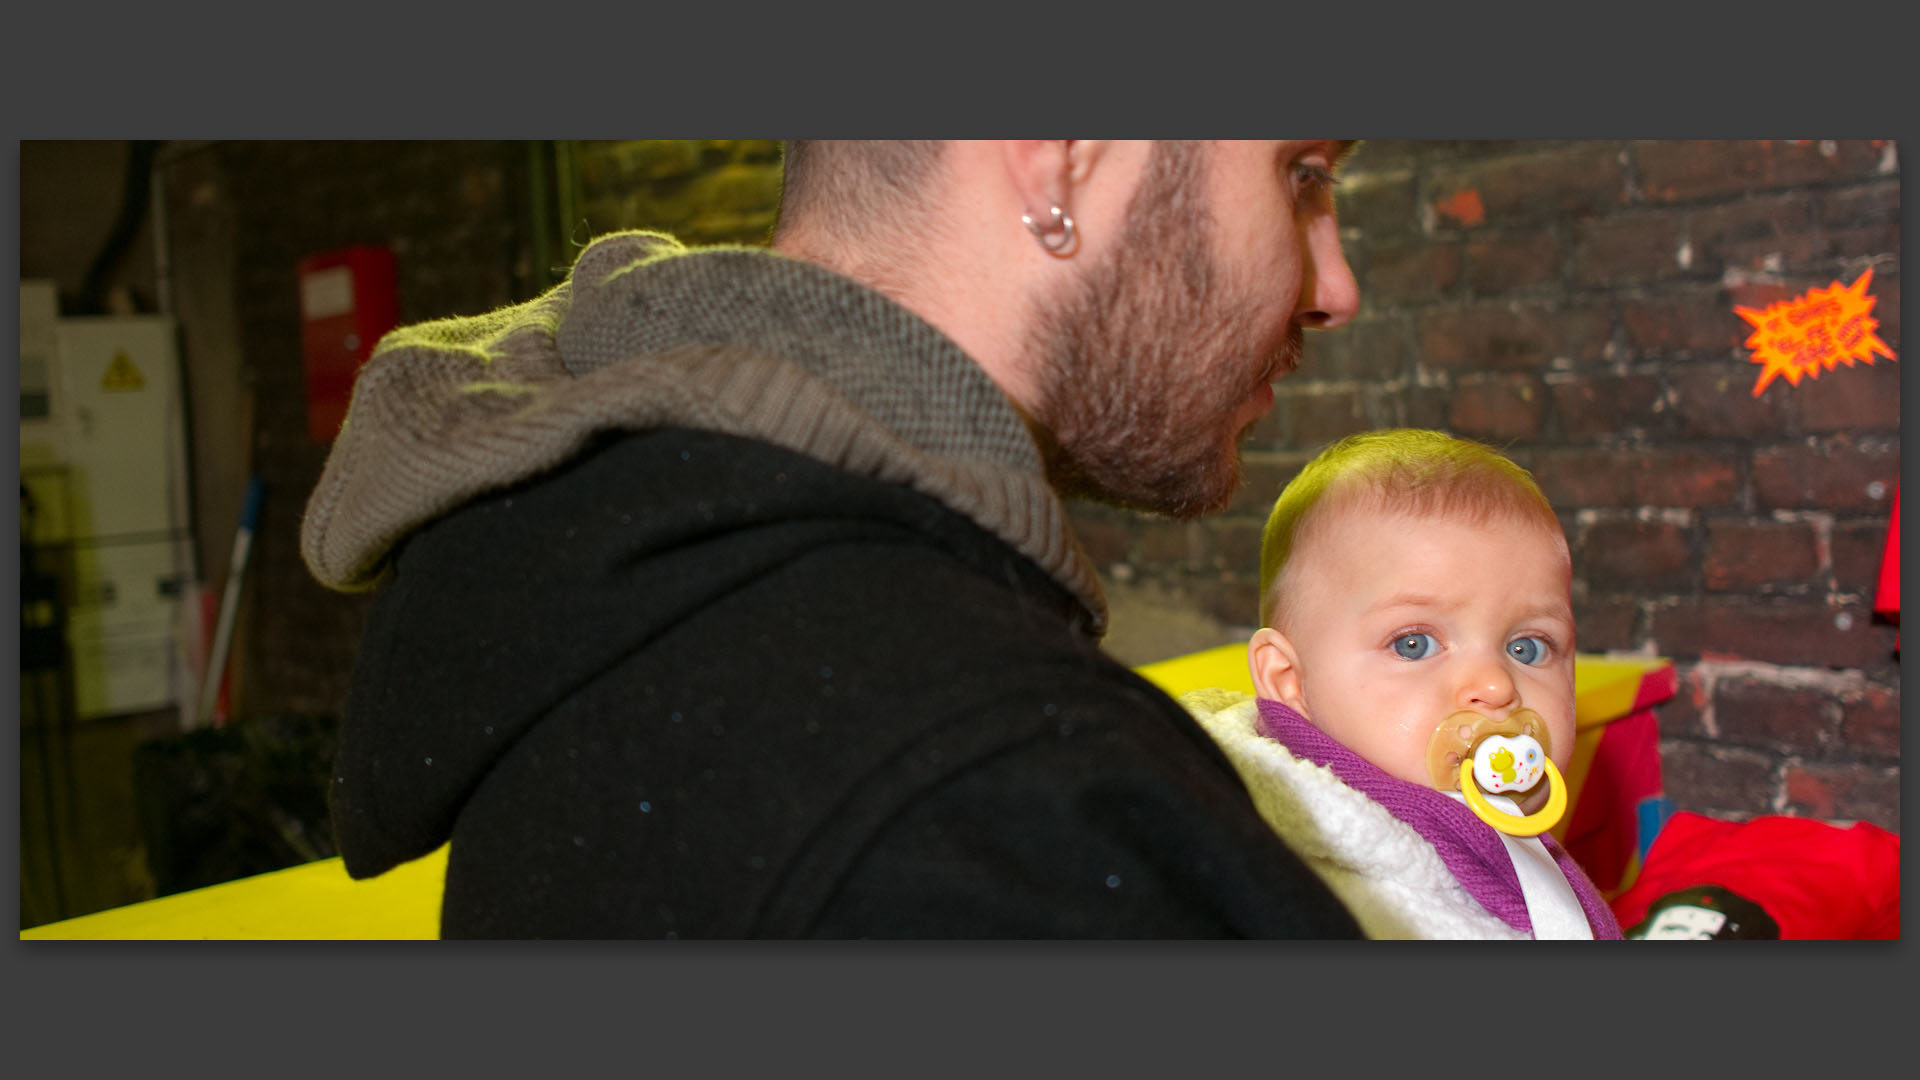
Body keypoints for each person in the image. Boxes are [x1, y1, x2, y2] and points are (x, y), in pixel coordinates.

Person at [300, 140, 1367, 937]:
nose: (1337, 290)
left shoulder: (619, 584)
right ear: (1060, 155)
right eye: (1303, 172)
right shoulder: (999, 799)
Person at [1181, 429, 1624, 939]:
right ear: (1289, 682)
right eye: (1414, 643)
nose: (1496, 685)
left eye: (1528, 647)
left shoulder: (1485, 832)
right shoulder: (1290, 885)